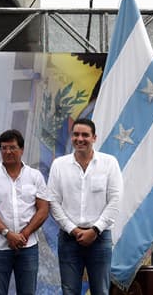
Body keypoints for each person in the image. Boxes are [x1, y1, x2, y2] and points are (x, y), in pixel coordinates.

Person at [45, 118, 122, 295]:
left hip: (100, 239)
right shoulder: (59, 165)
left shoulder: (109, 163)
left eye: (85, 135)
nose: (80, 139)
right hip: (69, 238)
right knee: (69, 291)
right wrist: (73, 230)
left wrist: (95, 230)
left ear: (94, 137)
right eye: (76, 134)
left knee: (101, 291)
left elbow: (115, 200)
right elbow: (53, 202)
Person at [0, 129, 49, 295]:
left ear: (22, 149)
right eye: (4, 148)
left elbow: (43, 209)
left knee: (27, 292)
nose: (8, 152)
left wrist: (24, 233)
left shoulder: (35, 176)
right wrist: (7, 233)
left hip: (28, 245)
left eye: (12, 147)